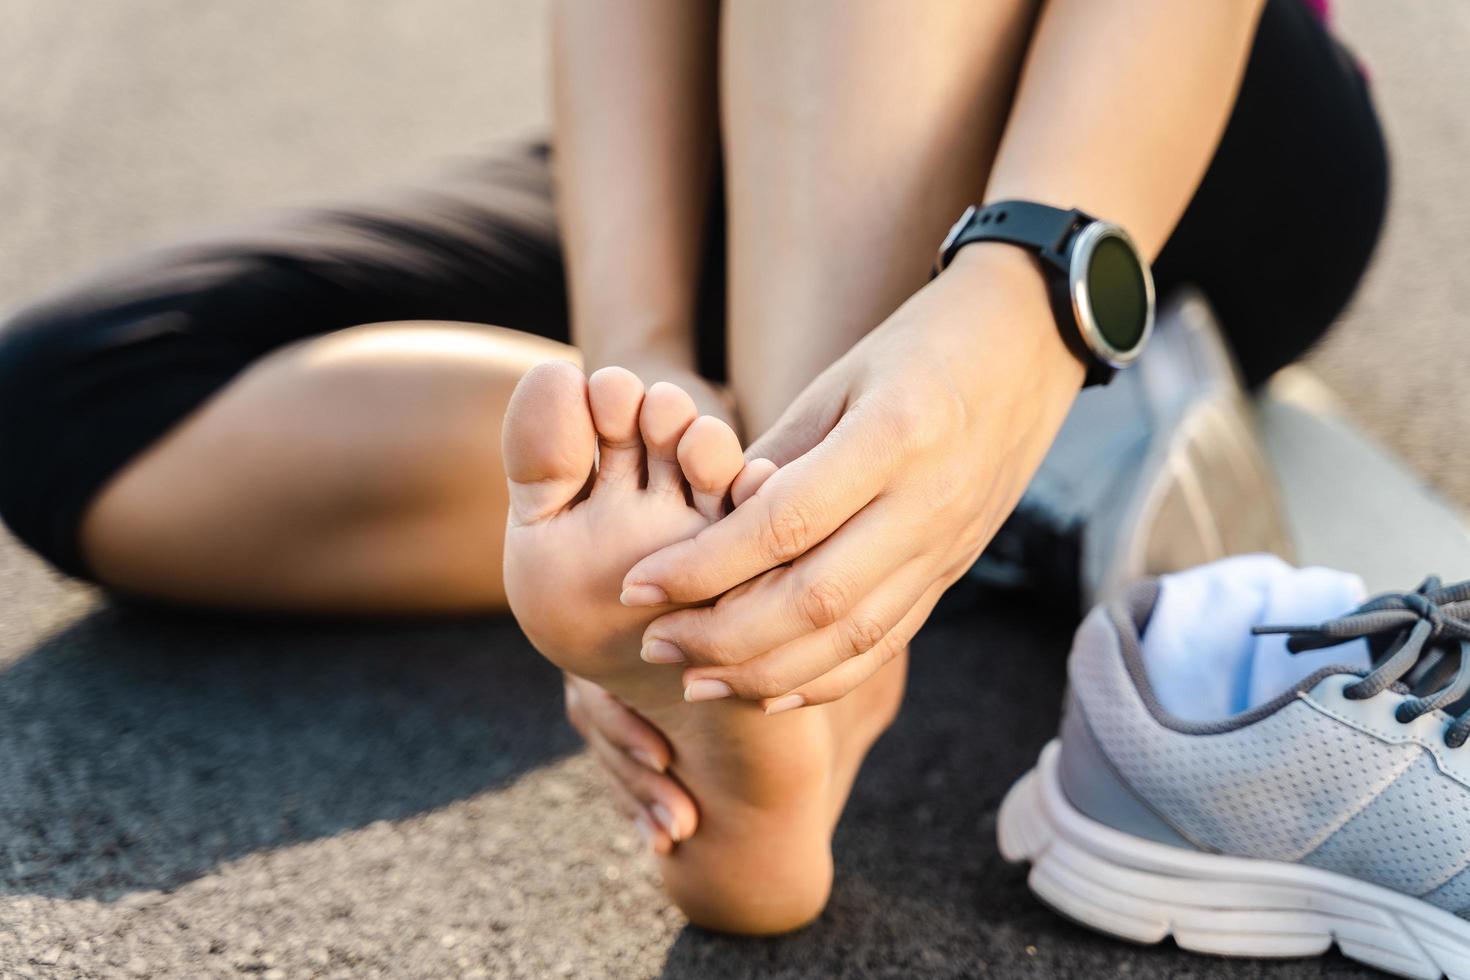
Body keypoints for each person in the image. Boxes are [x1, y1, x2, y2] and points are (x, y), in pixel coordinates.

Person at [0, 0, 1385, 934]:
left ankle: (818, 629)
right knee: (84, 400)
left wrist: (1027, 297)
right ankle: (769, 529)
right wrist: (643, 356)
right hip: (767, 123)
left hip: (1147, 148)